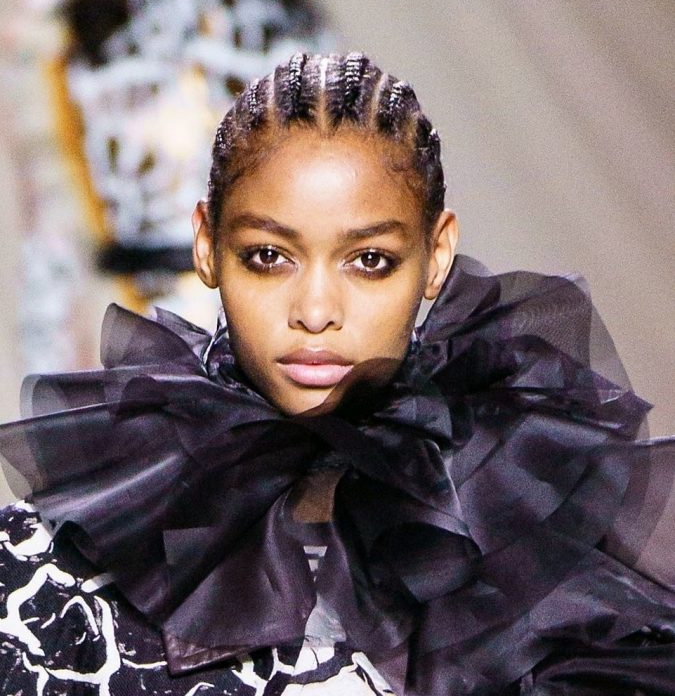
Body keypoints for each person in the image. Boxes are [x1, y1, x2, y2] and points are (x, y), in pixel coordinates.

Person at [0, 52, 674, 695]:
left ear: (437, 255)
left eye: (369, 260)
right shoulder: (58, 564)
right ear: (206, 245)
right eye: (268, 256)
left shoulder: (540, 539)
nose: (316, 311)